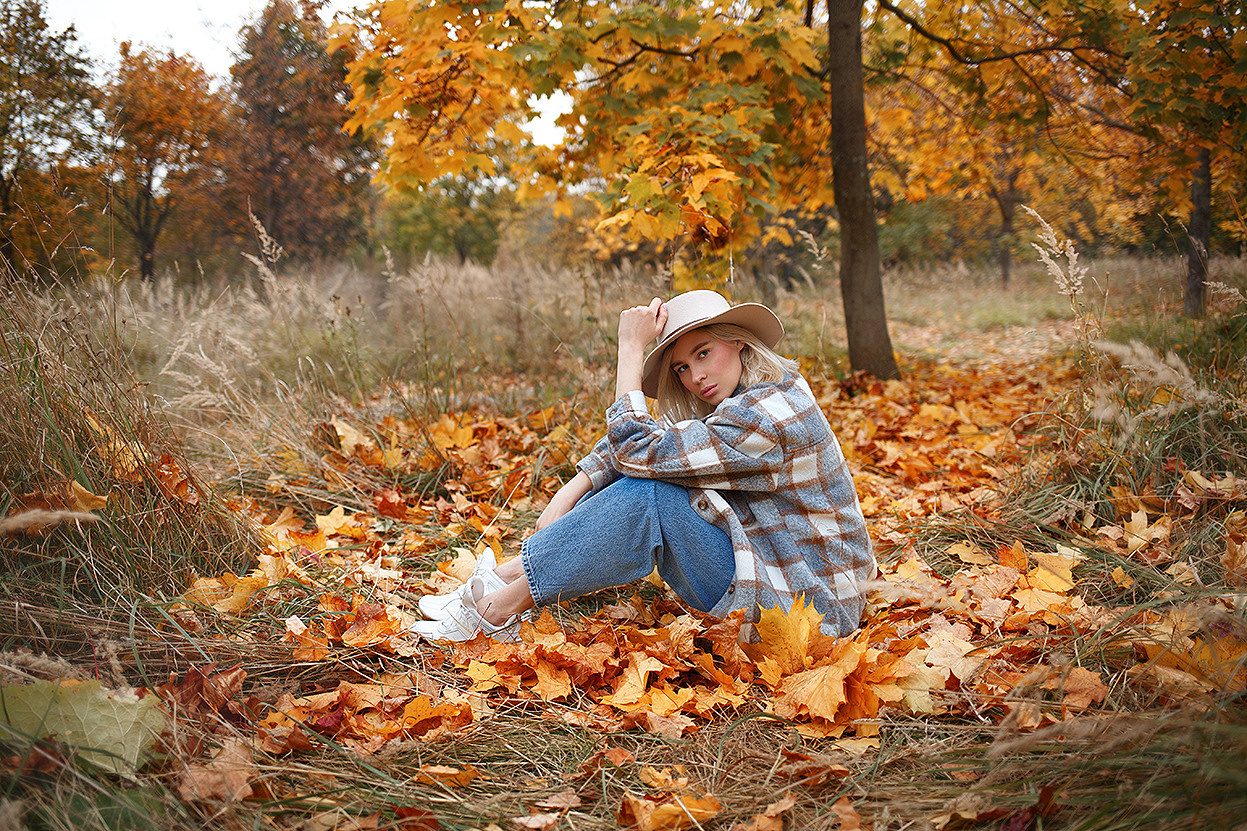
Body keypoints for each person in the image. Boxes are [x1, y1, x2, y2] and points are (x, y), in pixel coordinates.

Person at [410, 289, 875, 642]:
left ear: (739, 343)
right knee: (652, 479)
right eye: (681, 369)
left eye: (703, 353)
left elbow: (637, 450)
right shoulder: (753, 400)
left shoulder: (768, 419)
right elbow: (651, 447)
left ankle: (496, 612)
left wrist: (630, 352)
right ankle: (505, 578)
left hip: (809, 615)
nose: (695, 377)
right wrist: (573, 486)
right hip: (779, 583)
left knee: (651, 495)